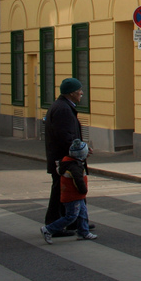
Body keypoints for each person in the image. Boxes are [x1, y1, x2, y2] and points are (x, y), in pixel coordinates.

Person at [44, 77, 88, 235]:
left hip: (62, 159)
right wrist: (79, 150)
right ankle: (55, 225)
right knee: (61, 192)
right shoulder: (63, 109)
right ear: (71, 93)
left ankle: (76, 221)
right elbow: (65, 136)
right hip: (64, 160)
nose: (81, 93)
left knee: (68, 191)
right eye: (79, 91)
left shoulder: (62, 106)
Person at [41, 139, 96, 243]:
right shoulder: (74, 167)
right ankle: (48, 229)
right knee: (71, 217)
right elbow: (78, 181)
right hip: (73, 196)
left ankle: (83, 232)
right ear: (82, 155)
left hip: (75, 196)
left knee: (82, 214)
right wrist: (83, 190)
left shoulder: (69, 162)